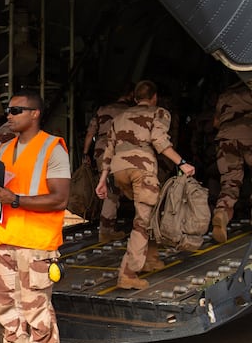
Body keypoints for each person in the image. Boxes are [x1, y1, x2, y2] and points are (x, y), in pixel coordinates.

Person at [0, 90, 70, 343]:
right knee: (6, 306)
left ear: (34, 114)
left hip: (36, 242)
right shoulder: (4, 149)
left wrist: (15, 200)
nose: (9, 114)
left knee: (36, 308)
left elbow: (60, 197)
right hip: (5, 239)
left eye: (17, 110)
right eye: (8, 110)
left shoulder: (53, 148)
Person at [95, 80, 195, 290]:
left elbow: (109, 149)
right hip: (142, 169)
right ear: (154, 97)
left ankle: (151, 257)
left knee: (149, 212)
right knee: (142, 221)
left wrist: (103, 180)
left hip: (119, 170)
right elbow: (160, 141)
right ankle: (128, 273)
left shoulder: (120, 117)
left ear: (134, 97)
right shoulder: (159, 112)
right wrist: (182, 163)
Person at [82, 85, 133, 242]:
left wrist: (85, 153)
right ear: (130, 95)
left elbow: (90, 134)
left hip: (100, 150)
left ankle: (106, 225)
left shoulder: (102, 109)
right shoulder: (131, 111)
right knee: (113, 191)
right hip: (120, 150)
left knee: (106, 187)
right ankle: (106, 230)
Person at [211, 83, 252, 242]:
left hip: (226, 137)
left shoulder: (225, 94)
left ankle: (221, 212)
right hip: (249, 133)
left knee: (230, 182)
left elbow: (215, 122)